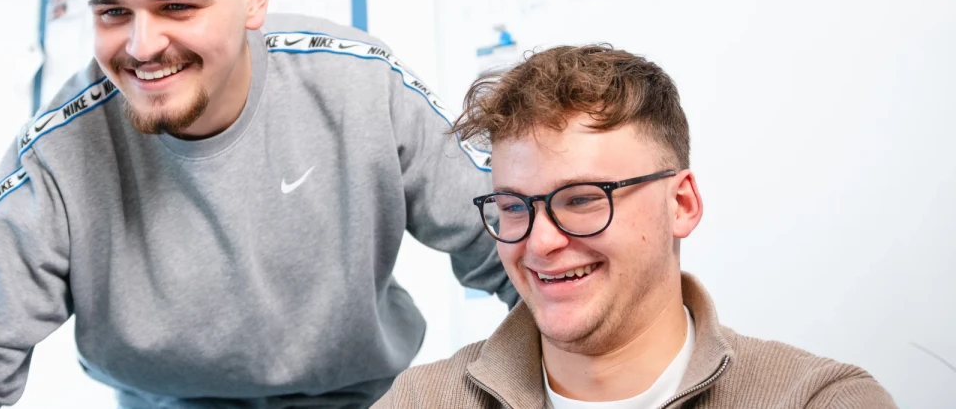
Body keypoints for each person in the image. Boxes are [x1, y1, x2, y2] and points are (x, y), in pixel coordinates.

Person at [0, 0, 516, 409]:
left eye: (178, 6)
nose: (141, 47)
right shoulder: (56, 149)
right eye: (113, 13)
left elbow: (514, 246)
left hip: (356, 398)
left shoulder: (359, 81)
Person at [375, 45, 895, 408]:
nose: (539, 242)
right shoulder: (419, 401)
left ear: (682, 204)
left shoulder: (818, 399)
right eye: (514, 207)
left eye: (580, 199)